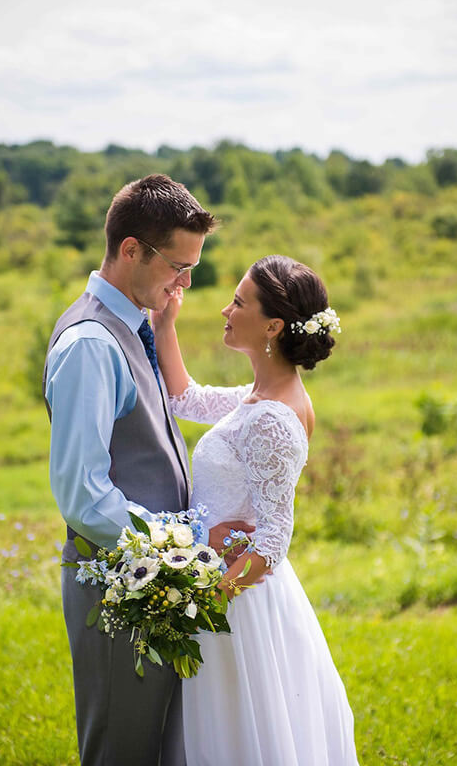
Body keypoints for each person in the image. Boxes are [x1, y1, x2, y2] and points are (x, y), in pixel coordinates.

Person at [44, 174, 252, 766]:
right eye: (177, 267)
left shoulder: (136, 324)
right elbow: (83, 497)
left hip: (151, 583)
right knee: (121, 750)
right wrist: (182, 551)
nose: (186, 283)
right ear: (131, 249)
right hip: (117, 589)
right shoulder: (91, 344)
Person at [152, 254, 359, 766]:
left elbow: (271, 541)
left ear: (273, 325)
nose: (226, 309)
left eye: (238, 302)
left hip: (236, 601)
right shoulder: (261, 396)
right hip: (227, 584)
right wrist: (164, 323)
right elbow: (186, 398)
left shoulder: (272, 419)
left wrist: (201, 603)